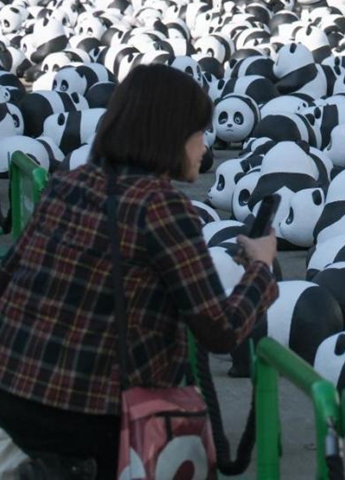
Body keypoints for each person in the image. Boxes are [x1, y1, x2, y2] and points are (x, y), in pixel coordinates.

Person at [0, 64, 279, 478]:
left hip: (14, 396)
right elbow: (220, 330)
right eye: (199, 133)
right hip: (92, 416)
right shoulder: (161, 207)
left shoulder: (67, 184)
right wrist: (260, 267)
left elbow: (10, 277)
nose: (205, 147)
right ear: (170, 135)